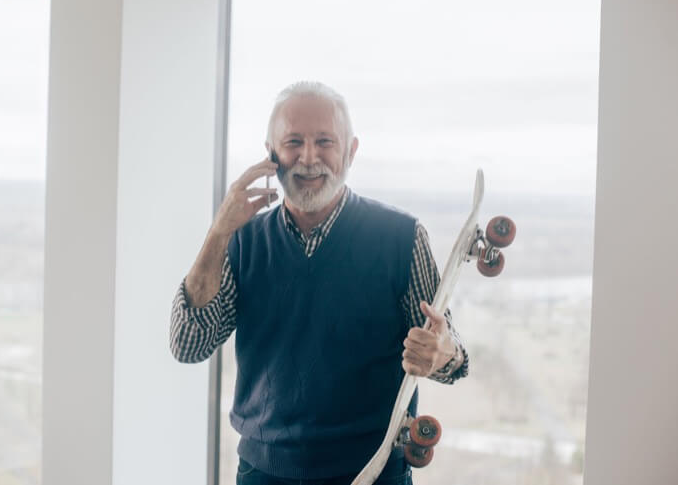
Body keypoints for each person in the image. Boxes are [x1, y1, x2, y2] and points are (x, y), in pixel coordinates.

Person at [170, 81, 469, 485]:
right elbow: (188, 345)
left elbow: (453, 361)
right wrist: (218, 231)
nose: (309, 158)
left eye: (324, 141)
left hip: (374, 472)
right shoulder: (241, 239)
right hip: (263, 474)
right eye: (293, 141)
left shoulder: (401, 237)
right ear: (270, 153)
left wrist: (438, 353)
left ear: (351, 150)